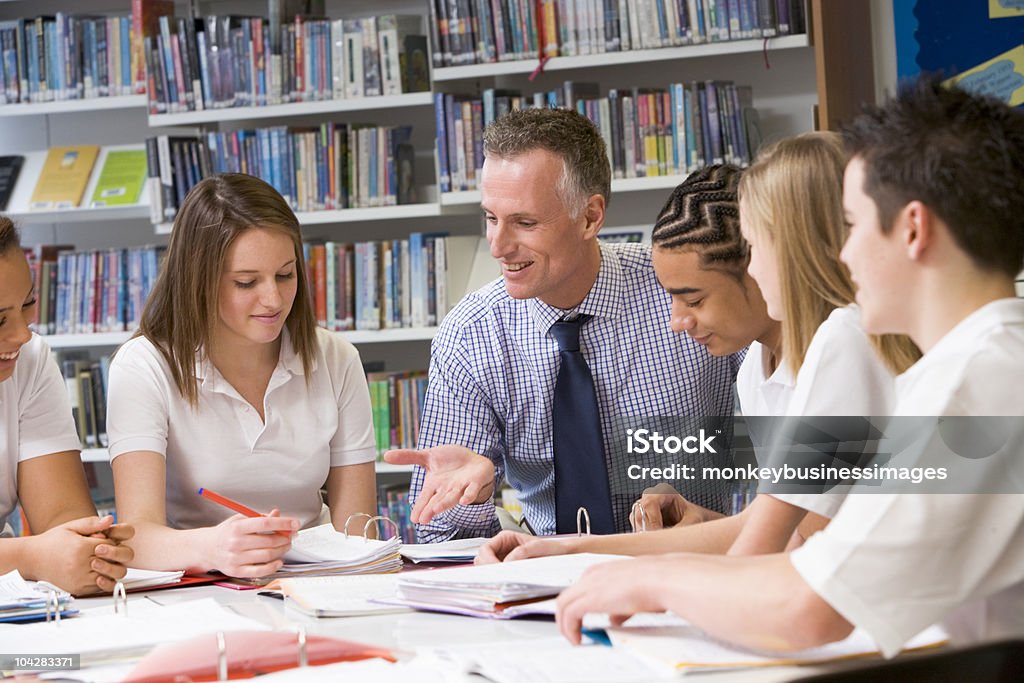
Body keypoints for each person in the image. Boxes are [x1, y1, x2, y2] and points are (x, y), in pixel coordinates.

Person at [556, 76, 1024, 657]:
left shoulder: (978, 384)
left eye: (851, 226)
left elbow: (810, 606)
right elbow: (818, 559)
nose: (841, 253)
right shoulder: (972, 368)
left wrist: (648, 578)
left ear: (912, 229)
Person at [479, 134, 917, 564]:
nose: (677, 320)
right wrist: (700, 524)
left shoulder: (843, 342)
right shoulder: (755, 368)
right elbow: (777, 527)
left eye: (694, 299)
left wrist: (573, 549)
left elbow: (794, 544)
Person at [384, 108, 740, 541]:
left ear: (590, 217)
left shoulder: (684, 291)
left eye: (525, 222)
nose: (498, 246)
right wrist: (471, 502)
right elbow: (436, 535)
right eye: (491, 218)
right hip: (552, 574)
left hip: (697, 557)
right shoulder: (472, 333)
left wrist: (718, 521)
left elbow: (814, 470)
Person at [106, 174, 377, 579]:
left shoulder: (337, 358)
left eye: (285, 276)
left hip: (315, 583)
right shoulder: (143, 365)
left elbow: (357, 531)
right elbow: (136, 537)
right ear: (198, 282)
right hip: (198, 587)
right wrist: (213, 547)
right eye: (246, 282)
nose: (273, 300)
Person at [0, 216, 134, 595]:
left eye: (27, 303)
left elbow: (61, 514)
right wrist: (32, 557)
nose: (23, 334)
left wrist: (89, 547)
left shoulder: (29, 360)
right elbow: (39, 553)